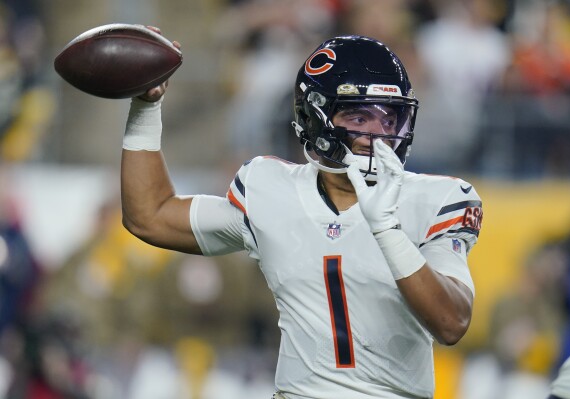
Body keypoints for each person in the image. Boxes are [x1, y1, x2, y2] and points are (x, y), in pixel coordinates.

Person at [120, 31, 483, 399]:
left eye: (390, 119)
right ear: (315, 117)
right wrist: (145, 109)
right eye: (360, 117)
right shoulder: (270, 188)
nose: (379, 134)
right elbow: (149, 216)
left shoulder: (439, 199)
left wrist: (388, 229)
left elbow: (451, 323)